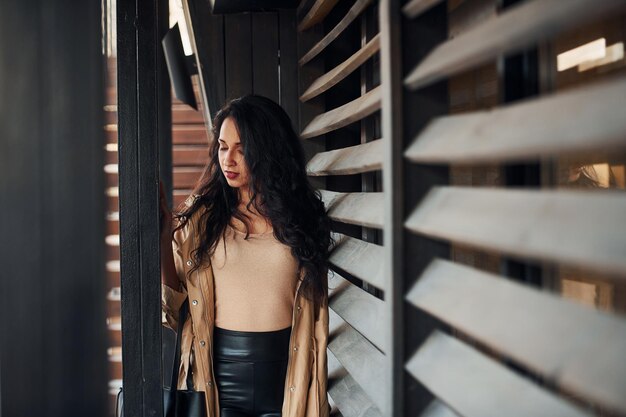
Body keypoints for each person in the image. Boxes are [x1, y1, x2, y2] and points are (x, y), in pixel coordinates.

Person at [159, 94, 332, 417]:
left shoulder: (301, 219)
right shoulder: (202, 218)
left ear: (267, 151)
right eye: (223, 147)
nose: (228, 159)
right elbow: (172, 310)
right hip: (219, 382)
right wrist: (163, 239)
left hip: (287, 379)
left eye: (241, 149)